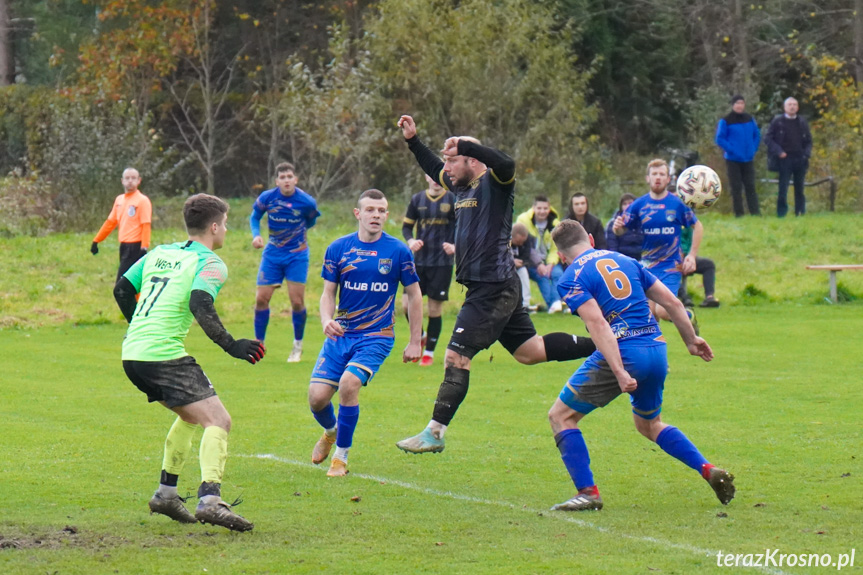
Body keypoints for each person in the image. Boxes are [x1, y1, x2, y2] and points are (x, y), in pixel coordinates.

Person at [394, 114, 596, 454]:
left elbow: (506, 161)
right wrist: (413, 141)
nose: (447, 168)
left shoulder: (496, 183)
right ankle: (605, 345)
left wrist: (468, 144)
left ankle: (434, 433)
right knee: (529, 352)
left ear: (472, 159)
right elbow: (434, 167)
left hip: (492, 286)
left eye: (453, 160)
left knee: (456, 357)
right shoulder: (460, 185)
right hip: (492, 286)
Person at [547, 219, 734, 511]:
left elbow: (597, 323)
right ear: (592, 239)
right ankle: (707, 468)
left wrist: (620, 371)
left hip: (624, 352)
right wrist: (691, 340)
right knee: (649, 424)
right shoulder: (625, 260)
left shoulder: (570, 276)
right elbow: (672, 302)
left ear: (561, 255)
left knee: (560, 416)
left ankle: (588, 493)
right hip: (657, 350)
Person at [113, 194, 266, 532]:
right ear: (214, 227)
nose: (225, 229)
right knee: (219, 420)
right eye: (225, 224)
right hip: (162, 355)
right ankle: (211, 500)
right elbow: (200, 302)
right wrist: (231, 345)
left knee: (189, 414)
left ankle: (166, 494)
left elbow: (122, 289)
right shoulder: (210, 263)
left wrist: (140, 327)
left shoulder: (159, 252)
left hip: (133, 353)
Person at [308, 189, 423, 476]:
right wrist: (325, 319)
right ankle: (331, 430)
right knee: (317, 398)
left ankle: (341, 457)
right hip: (341, 334)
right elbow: (327, 293)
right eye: (370, 209)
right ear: (358, 214)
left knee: (349, 384)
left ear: (387, 215)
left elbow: (415, 295)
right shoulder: (338, 248)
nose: (376, 215)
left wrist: (414, 341)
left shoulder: (398, 251)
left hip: (377, 335)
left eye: (381, 210)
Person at [613, 159, 701, 332]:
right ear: (648, 178)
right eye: (654, 174)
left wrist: (691, 255)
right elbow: (621, 230)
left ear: (668, 179)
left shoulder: (677, 204)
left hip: (671, 266)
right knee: (649, 315)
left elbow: (697, 226)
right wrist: (617, 228)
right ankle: (654, 354)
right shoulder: (639, 205)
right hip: (647, 266)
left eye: (662, 174)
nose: (658, 178)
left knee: (663, 310)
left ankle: (689, 316)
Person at [250, 162, 321, 362]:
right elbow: (255, 217)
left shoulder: (306, 201)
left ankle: (297, 346)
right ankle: (258, 344)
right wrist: (256, 235)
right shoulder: (267, 198)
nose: (286, 180)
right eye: (282, 177)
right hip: (272, 254)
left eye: (290, 176)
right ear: (277, 181)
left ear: (296, 179)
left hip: (297, 255)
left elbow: (311, 221)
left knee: (297, 301)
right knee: (261, 298)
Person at [402, 174, 456, 366]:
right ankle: (421, 334)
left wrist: (455, 244)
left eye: (439, 175)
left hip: (442, 262)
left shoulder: (453, 199)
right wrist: (411, 241)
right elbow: (407, 227)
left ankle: (429, 353)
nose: (435, 179)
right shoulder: (418, 199)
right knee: (406, 304)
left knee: (434, 308)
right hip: (418, 261)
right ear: (425, 177)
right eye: (431, 175)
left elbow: (464, 227)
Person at [91, 168, 152, 283]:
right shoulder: (119, 200)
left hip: (136, 246)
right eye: (127, 178)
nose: (130, 181)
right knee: (132, 282)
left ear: (139, 181)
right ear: (122, 181)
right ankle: (138, 301)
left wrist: (144, 247)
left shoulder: (142, 201)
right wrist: (97, 240)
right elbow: (110, 223)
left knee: (123, 284)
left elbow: (146, 225)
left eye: (133, 178)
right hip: (124, 246)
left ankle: (134, 300)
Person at [516, 196, 564, 313]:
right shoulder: (523, 221)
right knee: (542, 277)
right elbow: (526, 247)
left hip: (548, 260)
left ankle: (554, 305)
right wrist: (538, 265)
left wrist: (550, 264)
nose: (542, 211)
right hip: (530, 261)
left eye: (545, 208)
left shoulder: (555, 223)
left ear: (549, 209)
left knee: (558, 274)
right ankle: (554, 304)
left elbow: (555, 247)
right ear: (534, 208)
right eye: (539, 208)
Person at [765, 97, 813, 217]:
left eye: (794, 104)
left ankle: (800, 212)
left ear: (797, 107)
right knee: (783, 188)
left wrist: (806, 154)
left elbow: (809, 141)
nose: (792, 107)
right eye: (790, 104)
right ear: (785, 107)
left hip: (800, 158)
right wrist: (778, 151)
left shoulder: (802, 122)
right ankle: (781, 213)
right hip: (784, 159)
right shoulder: (778, 122)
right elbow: (768, 139)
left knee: (799, 188)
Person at [715, 95, 762, 217]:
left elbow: (756, 135)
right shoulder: (726, 120)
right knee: (736, 188)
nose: (740, 105)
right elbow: (720, 139)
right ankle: (739, 213)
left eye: (742, 103)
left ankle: (755, 213)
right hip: (733, 159)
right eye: (737, 103)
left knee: (750, 186)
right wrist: (731, 150)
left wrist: (753, 149)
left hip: (748, 158)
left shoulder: (749, 119)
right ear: (733, 105)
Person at [677, 226, 720, 308]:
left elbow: (691, 242)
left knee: (708, 264)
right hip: (670, 258)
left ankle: (709, 297)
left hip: (686, 257)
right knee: (669, 270)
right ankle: (684, 297)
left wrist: (689, 257)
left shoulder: (687, 224)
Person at [510, 222, 543, 311]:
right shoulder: (503, 240)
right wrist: (511, 261)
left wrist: (522, 262)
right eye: (518, 241)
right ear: (511, 236)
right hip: (504, 267)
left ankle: (525, 304)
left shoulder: (527, 240)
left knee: (523, 272)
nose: (521, 244)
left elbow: (527, 255)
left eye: (522, 242)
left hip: (519, 266)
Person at [605, 193, 642, 260]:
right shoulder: (613, 224)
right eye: (624, 204)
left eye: (630, 203)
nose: (628, 206)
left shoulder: (644, 221)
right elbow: (612, 248)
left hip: (643, 259)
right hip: (622, 259)